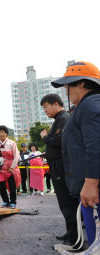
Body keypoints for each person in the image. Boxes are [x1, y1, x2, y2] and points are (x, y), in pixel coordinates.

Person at [51, 61, 100, 246]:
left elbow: (96, 146)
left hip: (93, 186)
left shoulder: (91, 104)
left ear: (82, 83)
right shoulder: (86, 105)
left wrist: (90, 183)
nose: (65, 89)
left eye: (68, 84)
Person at [40, 93, 79, 245]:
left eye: (45, 107)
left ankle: (74, 236)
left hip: (61, 167)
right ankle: (71, 232)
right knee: (65, 202)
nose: (45, 111)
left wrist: (44, 137)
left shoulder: (63, 118)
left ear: (55, 103)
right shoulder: (60, 119)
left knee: (67, 202)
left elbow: (58, 140)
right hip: (57, 165)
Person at [0, 125, 20, 209]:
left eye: (3, 132)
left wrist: (12, 167)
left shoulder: (12, 143)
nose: (1, 134)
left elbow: (16, 155)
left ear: (6, 133)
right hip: (0, 168)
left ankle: (13, 202)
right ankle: (6, 202)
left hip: (10, 168)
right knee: (1, 186)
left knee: (12, 185)